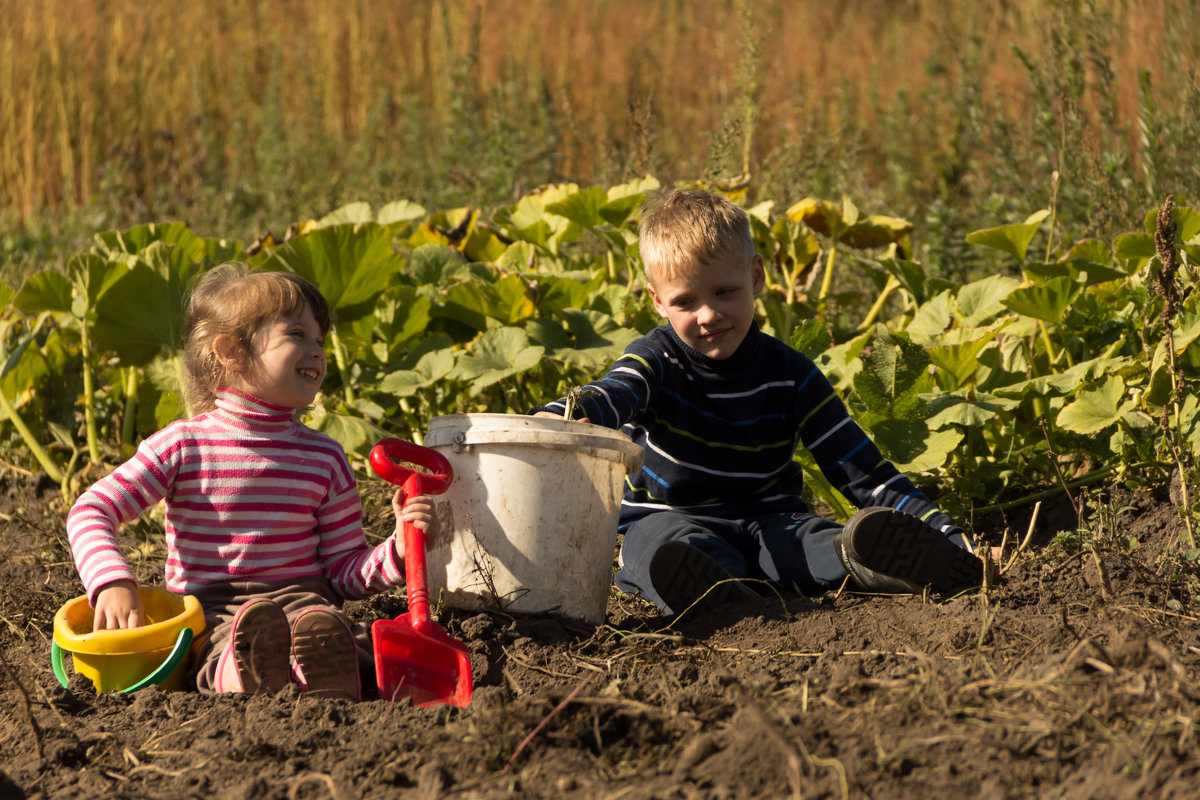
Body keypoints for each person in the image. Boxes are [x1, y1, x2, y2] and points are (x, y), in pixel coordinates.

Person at [532, 189, 986, 617]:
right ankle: (721, 594)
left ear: (756, 276)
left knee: (813, 540)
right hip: (676, 519)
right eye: (685, 301)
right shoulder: (656, 359)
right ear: (657, 302)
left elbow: (860, 467)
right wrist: (557, 418)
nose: (708, 314)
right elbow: (613, 394)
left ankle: (867, 562)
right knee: (656, 543)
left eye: (724, 292)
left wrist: (948, 537)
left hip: (769, 521)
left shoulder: (792, 374)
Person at [66, 263, 431, 699]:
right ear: (231, 353)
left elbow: (343, 572)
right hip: (213, 612)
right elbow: (92, 509)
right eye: (296, 334)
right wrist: (112, 581)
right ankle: (249, 674)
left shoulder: (325, 458)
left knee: (338, 634)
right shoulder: (183, 446)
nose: (317, 350)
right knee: (221, 651)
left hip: (306, 607)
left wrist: (397, 550)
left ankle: (314, 672)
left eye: (319, 339)